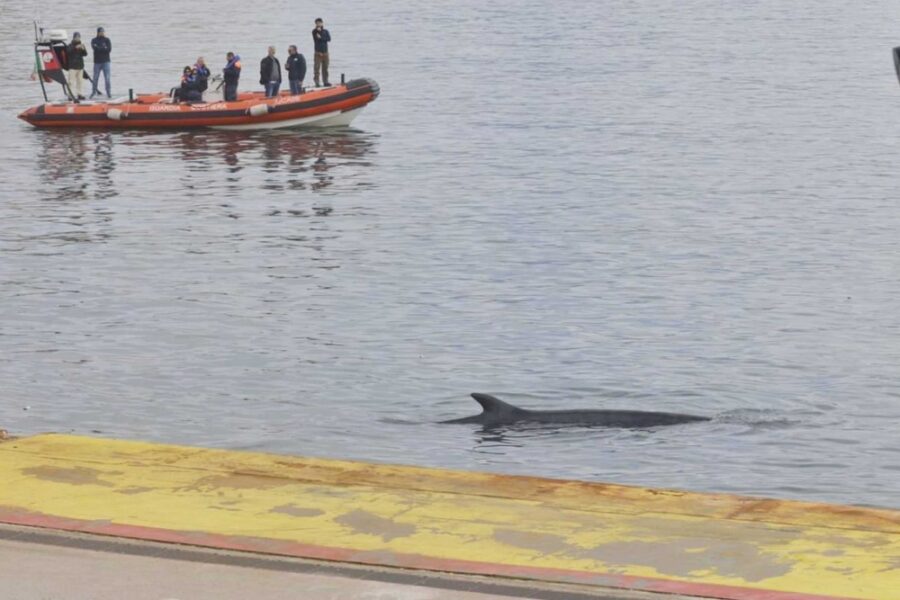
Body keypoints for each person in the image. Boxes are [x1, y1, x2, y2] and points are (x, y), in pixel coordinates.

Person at [89, 26, 112, 98]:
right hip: (97, 62)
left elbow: (109, 50)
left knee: (107, 78)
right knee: (95, 78)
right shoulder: (94, 40)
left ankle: (108, 92)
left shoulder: (107, 40)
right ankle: (93, 92)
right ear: (98, 32)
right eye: (100, 32)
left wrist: (99, 48)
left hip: (106, 62)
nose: (102, 33)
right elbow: (95, 49)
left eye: (103, 32)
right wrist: (103, 48)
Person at [66, 32, 87, 100]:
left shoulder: (81, 45)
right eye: (76, 37)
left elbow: (85, 54)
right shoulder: (70, 45)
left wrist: (83, 49)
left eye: (78, 37)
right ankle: (70, 95)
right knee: (71, 82)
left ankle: (79, 94)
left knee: (80, 81)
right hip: (72, 67)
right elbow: (68, 52)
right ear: (74, 38)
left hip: (80, 66)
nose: (77, 38)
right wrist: (75, 48)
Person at [311, 18, 331, 87]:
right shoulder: (314, 31)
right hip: (318, 53)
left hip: (325, 52)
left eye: (319, 23)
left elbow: (328, 39)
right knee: (316, 68)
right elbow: (317, 40)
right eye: (317, 23)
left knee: (325, 68)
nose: (318, 24)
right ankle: (317, 82)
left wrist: (321, 36)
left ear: (322, 23)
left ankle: (326, 81)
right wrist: (319, 32)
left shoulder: (325, 31)